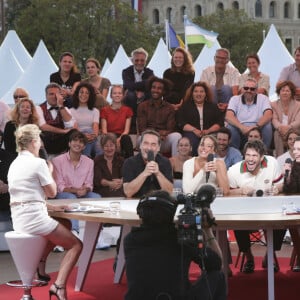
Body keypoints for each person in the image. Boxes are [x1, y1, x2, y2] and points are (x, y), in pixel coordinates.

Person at [7, 124, 82, 300]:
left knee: (65, 223)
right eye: (39, 140)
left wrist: (55, 208)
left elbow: (28, 197)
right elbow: (52, 193)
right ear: (33, 141)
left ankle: (40, 264)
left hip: (19, 218)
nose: (41, 143)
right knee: (76, 245)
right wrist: (50, 171)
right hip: (34, 219)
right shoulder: (39, 163)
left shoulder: (14, 164)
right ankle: (59, 286)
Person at [124, 189, 226, 300]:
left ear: (140, 212)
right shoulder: (182, 238)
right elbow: (217, 264)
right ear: (172, 212)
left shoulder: (129, 240)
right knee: (218, 275)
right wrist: (207, 229)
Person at [227, 139, 285, 273]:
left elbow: (281, 184)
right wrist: (240, 190)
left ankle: (268, 256)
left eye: (254, 156)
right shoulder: (234, 171)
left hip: (269, 210)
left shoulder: (272, 163)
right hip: (244, 211)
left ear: (262, 157)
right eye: (248, 155)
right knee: (238, 224)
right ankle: (249, 258)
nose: (250, 159)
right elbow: (227, 192)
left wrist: (277, 188)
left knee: (280, 224)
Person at [52, 130, 100, 233]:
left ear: (84, 146)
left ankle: (96, 233)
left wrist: (86, 190)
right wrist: (75, 191)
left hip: (82, 193)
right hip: (64, 195)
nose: (77, 144)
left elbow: (89, 184)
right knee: (71, 197)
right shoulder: (57, 161)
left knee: (97, 197)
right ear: (69, 143)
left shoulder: (89, 162)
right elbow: (59, 186)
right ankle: (74, 231)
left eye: (81, 142)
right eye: (75, 140)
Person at [136, 76, 182, 156]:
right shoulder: (142, 106)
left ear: (164, 91)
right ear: (150, 89)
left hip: (163, 140)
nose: (156, 90)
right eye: (153, 87)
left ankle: (176, 164)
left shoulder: (169, 108)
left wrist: (163, 134)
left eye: (159, 88)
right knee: (140, 138)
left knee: (177, 136)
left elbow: (170, 129)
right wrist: (157, 134)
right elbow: (142, 129)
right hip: (147, 139)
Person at [176, 81, 223, 156]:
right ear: (192, 94)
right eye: (196, 91)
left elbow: (220, 123)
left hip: (210, 132)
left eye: (201, 91)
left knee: (210, 141)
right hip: (191, 132)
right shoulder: (185, 106)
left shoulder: (213, 106)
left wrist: (208, 131)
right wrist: (194, 130)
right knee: (192, 141)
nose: (199, 94)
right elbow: (181, 123)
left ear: (205, 94)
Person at [122, 129, 173, 198]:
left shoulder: (165, 162)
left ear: (158, 147)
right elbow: (128, 192)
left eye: (153, 144)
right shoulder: (129, 162)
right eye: (146, 143)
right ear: (140, 145)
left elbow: (170, 192)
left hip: (159, 204)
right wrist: (144, 173)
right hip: (136, 203)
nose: (149, 148)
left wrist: (158, 173)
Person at [225, 78, 273, 151]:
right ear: (242, 89)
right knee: (230, 127)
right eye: (246, 88)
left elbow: (268, 115)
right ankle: (235, 154)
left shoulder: (263, 98)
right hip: (240, 130)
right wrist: (241, 127)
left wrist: (255, 127)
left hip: (258, 128)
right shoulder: (235, 99)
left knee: (268, 126)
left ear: (256, 90)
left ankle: (264, 152)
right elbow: (228, 116)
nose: (249, 91)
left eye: (252, 89)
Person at [37, 83, 75, 156]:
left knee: (74, 132)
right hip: (45, 142)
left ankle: (71, 157)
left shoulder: (65, 108)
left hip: (60, 142)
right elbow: (42, 126)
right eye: (51, 94)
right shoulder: (38, 108)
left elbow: (70, 125)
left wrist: (61, 106)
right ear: (46, 96)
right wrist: (63, 131)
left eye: (57, 94)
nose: (54, 97)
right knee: (41, 133)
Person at [122, 47, 154, 134]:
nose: (139, 62)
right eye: (136, 60)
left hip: (145, 96)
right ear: (132, 60)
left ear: (145, 61)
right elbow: (129, 85)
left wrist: (136, 88)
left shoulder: (149, 72)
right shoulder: (126, 71)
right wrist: (142, 86)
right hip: (130, 98)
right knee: (131, 95)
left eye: (142, 60)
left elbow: (149, 85)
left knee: (151, 95)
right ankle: (133, 121)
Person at [200, 48, 240, 113]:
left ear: (227, 60)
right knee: (212, 88)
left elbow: (235, 92)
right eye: (218, 57)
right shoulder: (206, 71)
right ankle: (213, 113)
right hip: (211, 100)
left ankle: (228, 113)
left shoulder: (234, 71)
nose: (220, 60)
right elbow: (202, 90)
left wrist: (228, 105)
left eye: (223, 58)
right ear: (214, 58)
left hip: (227, 101)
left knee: (226, 88)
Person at [100, 85, 134, 158]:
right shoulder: (104, 110)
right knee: (105, 139)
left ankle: (130, 162)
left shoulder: (127, 110)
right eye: (114, 93)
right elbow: (104, 131)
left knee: (126, 138)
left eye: (119, 93)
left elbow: (126, 131)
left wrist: (119, 140)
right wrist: (113, 141)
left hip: (122, 136)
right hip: (108, 135)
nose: (117, 95)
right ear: (111, 95)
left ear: (123, 95)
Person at [70, 82, 101, 158]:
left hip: (92, 138)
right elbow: (75, 128)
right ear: (77, 94)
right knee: (87, 132)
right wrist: (84, 136)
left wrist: (92, 136)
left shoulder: (95, 111)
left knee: (99, 148)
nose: (84, 95)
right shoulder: (71, 111)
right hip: (77, 138)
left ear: (90, 96)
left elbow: (95, 128)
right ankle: (88, 158)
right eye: (81, 92)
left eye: (87, 93)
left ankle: (86, 158)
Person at [271, 80, 300, 157]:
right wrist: (280, 127)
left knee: (293, 135)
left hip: (294, 130)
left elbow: (298, 121)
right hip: (280, 130)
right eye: (282, 90)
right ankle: (280, 158)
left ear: (291, 93)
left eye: (288, 91)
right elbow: (274, 119)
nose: (285, 93)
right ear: (279, 92)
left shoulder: (298, 105)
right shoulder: (273, 104)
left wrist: (288, 127)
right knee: (277, 133)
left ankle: (296, 157)